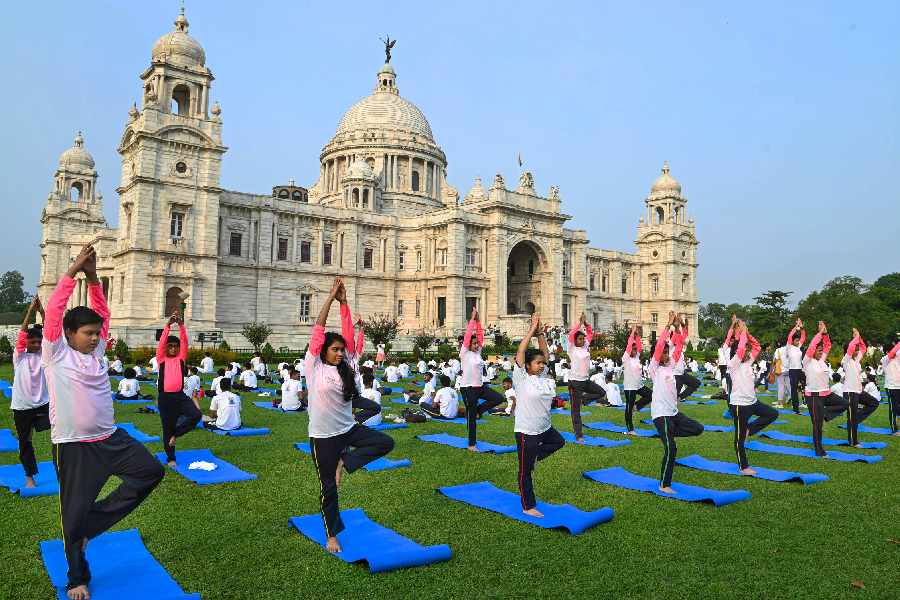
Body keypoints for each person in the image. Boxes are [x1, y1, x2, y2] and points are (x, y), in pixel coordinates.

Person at [44, 244, 163, 600]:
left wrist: (94, 278)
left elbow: (103, 312)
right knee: (72, 515)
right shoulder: (56, 353)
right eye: (88, 333)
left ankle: (90, 527)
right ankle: (77, 577)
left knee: (150, 473)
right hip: (75, 447)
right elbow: (53, 312)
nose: (96, 338)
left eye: (97, 333)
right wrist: (70, 273)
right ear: (69, 334)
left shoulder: (96, 351)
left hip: (111, 440)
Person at [305, 277, 394, 554]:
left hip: (347, 429)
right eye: (335, 349)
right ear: (323, 351)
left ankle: (346, 460)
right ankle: (332, 534)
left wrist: (345, 305)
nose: (340, 353)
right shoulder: (313, 366)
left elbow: (348, 334)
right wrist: (331, 298)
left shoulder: (348, 365)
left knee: (385, 443)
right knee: (328, 488)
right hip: (323, 437)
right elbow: (319, 329)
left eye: (342, 350)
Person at [513, 314, 565, 518]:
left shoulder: (542, 375)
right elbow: (521, 351)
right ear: (527, 365)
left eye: (542, 363)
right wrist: (531, 329)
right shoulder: (521, 377)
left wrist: (541, 333)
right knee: (525, 472)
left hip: (545, 428)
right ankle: (528, 505)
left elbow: (545, 352)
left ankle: (535, 457)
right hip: (527, 431)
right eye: (537, 363)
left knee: (559, 442)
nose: (542, 365)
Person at [650, 312, 703, 494]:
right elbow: (658, 347)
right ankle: (664, 484)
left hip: (673, 414)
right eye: (664, 353)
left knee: (698, 428)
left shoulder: (671, 366)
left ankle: (668, 433)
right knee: (671, 449)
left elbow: (679, 345)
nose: (666, 355)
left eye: (667, 352)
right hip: (661, 414)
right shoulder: (654, 369)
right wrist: (668, 326)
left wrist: (679, 328)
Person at [727, 321, 778, 474]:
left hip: (752, 402)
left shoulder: (748, 361)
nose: (747, 352)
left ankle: (750, 429)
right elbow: (742, 349)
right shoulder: (733, 364)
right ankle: (744, 466)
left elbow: (757, 346)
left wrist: (747, 334)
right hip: (739, 405)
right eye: (743, 351)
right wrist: (742, 334)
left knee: (772, 414)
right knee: (739, 438)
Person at [11, 297, 50, 489]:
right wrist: (29, 311)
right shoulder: (19, 356)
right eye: (32, 342)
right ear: (26, 343)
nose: (36, 345)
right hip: (22, 407)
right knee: (25, 442)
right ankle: (30, 477)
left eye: (38, 342)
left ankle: (65, 469)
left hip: (43, 404)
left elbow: (51, 331)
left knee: (61, 432)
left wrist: (42, 311)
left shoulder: (45, 355)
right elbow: (23, 332)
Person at [156, 312, 202, 467]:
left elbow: (184, 341)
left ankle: (176, 433)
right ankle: (171, 458)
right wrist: (168, 325)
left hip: (180, 396)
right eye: (171, 346)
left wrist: (181, 325)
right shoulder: (161, 359)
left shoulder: (181, 359)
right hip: (165, 398)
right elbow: (162, 342)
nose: (174, 349)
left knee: (196, 415)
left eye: (176, 346)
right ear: (166, 348)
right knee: (167, 428)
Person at [459, 308, 505, 451]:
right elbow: (468, 337)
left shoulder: (478, 352)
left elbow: (480, 336)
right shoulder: (464, 353)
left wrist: (478, 322)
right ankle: (472, 444)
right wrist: (472, 320)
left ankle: (478, 410)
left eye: (477, 344)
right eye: (473, 344)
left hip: (480, 387)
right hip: (468, 388)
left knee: (498, 398)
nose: (476, 345)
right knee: (471, 418)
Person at [802, 321, 849, 456]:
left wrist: (826, 333)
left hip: (826, 394)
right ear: (812, 351)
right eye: (819, 350)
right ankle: (819, 450)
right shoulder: (807, 361)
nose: (821, 352)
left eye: (821, 350)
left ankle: (825, 415)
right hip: (813, 396)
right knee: (817, 425)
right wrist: (819, 333)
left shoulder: (822, 360)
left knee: (845, 403)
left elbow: (828, 345)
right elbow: (811, 346)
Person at [567, 313, 607, 442]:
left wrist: (586, 324)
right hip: (575, 383)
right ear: (575, 340)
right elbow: (572, 334)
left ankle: (584, 399)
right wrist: (579, 324)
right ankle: (579, 434)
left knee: (601, 392)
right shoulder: (571, 348)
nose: (582, 341)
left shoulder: (585, 346)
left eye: (583, 339)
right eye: (580, 339)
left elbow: (590, 334)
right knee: (575, 410)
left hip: (585, 380)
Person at [842, 329, 878, 447]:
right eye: (855, 349)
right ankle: (853, 441)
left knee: (874, 403)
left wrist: (859, 337)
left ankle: (855, 419)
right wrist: (855, 337)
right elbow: (852, 347)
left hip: (858, 391)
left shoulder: (857, 360)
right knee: (852, 417)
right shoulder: (845, 360)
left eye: (857, 349)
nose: (857, 351)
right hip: (850, 392)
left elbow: (863, 347)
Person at [622, 325, 652, 435]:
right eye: (633, 349)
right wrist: (632, 333)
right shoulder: (626, 358)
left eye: (635, 349)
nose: (635, 351)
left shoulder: (637, 357)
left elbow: (639, 346)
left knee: (651, 395)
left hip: (639, 385)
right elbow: (630, 344)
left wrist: (638, 335)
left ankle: (637, 406)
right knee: (628, 408)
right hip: (630, 387)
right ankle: (630, 429)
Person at [673, 315, 700, 400]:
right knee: (672, 398)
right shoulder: (671, 346)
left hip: (682, 374)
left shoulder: (680, 346)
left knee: (696, 383)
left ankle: (680, 397)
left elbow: (684, 335)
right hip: (675, 375)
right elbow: (678, 335)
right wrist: (677, 326)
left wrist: (685, 325)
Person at [785, 319, 807, 414]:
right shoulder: (789, 347)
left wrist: (801, 327)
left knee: (807, 383)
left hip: (800, 370)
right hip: (793, 371)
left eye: (798, 340)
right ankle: (795, 408)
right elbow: (790, 335)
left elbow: (803, 336)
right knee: (794, 390)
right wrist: (796, 326)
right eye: (796, 340)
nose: (798, 342)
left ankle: (806, 401)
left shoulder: (798, 347)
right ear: (792, 341)